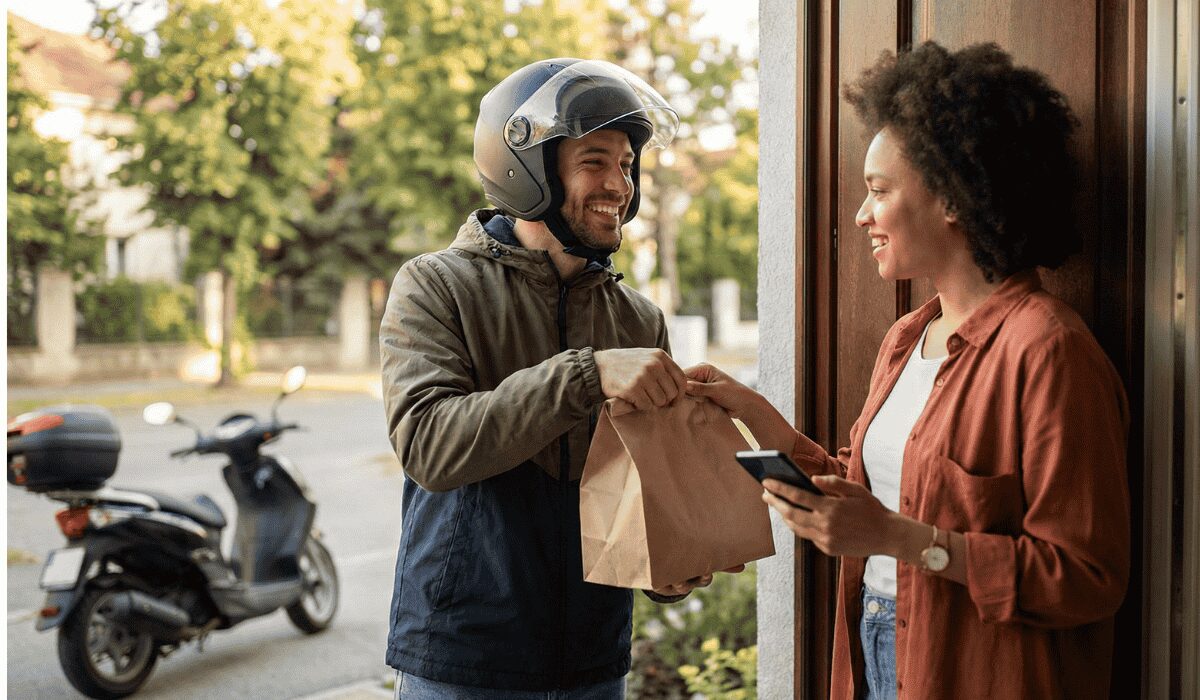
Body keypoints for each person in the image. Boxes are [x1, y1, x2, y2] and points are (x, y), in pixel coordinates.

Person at [686, 42, 1130, 699]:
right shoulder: (906, 338)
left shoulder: (1048, 351)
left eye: (878, 191)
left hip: (971, 670)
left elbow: (1086, 578)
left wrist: (899, 538)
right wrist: (750, 411)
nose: (861, 215)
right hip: (874, 651)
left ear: (952, 196)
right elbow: (874, 500)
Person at [380, 58, 721, 699]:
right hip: (465, 658)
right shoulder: (435, 285)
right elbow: (429, 446)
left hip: (592, 660)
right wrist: (587, 375)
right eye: (595, 161)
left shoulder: (638, 319)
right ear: (527, 168)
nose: (619, 184)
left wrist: (668, 564)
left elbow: (639, 487)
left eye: (626, 165)